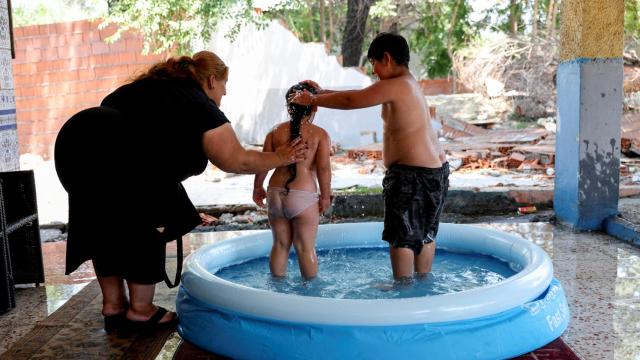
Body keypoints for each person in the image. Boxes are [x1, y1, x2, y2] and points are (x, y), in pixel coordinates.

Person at [54, 51, 308, 333]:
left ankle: (114, 307)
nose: (223, 95)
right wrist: (281, 157)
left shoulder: (146, 87)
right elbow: (236, 159)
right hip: (122, 154)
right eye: (224, 88)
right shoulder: (199, 103)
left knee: (105, 222)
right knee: (145, 225)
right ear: (212, 80)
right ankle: (140, 311)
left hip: (74, 143)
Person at [290, 33, 449, 282]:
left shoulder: (395, 85)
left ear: (386, 58)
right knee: (425, 232)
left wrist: (313, 99)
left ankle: (403, 290)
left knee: (402, 235)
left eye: (374, 63)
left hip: (411, 175)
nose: (373, 70)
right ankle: (423, 283)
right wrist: (322, 92)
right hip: (435, 172)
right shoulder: (408, 83)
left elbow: (353, 100)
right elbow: (359, 93)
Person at [253, 83, 332, 279]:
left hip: (275, 193)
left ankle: (277, 292)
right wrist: (325, 195)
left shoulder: (274, 132)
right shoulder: (319, 134)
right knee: (305, 249)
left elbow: (264, 163)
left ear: (288, 107)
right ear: (314, 106)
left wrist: (257, 187)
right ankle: (311, 298)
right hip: (303, 195)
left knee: (280, 245)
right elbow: (323, 169)